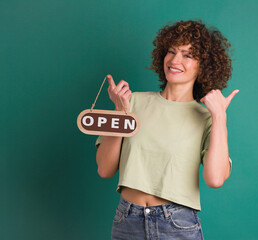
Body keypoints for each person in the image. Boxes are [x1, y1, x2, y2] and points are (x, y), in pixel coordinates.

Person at [95, 20, 238, 240]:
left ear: (204, 66)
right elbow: (105, 169)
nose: (175, 60)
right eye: (171, 51)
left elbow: (215, 179)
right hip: (127, 221)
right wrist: (119, 111)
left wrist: (219, 117)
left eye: (187, 55)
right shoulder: (131, 102)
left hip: (177, 224)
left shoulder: (206, 118)